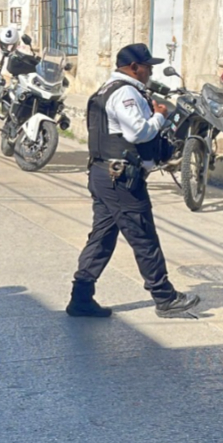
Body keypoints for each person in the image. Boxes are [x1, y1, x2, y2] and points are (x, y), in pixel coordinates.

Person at [65, 43, 200, 319]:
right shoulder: (125, 92)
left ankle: (80, 298)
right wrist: (161, 117)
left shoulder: (106, 89)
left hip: (104, 174)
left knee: (102, 237)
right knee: (143, 236)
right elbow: (138, 132)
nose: (150, 71)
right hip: (121, 178)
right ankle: (165, 297)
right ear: (133, 67)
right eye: (147, 66)